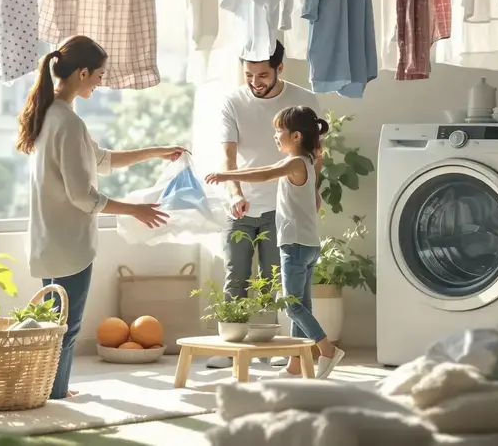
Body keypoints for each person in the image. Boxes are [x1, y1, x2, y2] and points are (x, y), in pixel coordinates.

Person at [17, 35, 186, 400]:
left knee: (53, 323)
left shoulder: (50, 115)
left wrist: (156, 152)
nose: (100, 82)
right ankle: (56, 393)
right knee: (66, 326)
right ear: (82, 72)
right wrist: (135, 210)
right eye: (99, 75)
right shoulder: (68, 123)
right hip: (69, 242)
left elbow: (103, 160)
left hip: (49, 239)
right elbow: (83, 196)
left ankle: (49, 389)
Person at [206, 106, 346, 379]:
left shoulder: (294, 163)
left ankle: (327, 349)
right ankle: (295, 365)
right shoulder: (307, 163)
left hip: (293, 245)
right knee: (301, 304)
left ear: (295, 136)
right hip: (308, 244)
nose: (275, 136)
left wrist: (227, 175)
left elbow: (266, 173)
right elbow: (315, 203)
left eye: (278, 131)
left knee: (292, 305)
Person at [210, 40, 321, 369]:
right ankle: (231, 348)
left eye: (262, 75)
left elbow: (317, 152)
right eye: (249, 75)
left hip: (282, 206)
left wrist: (313, 189)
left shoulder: (304, 100)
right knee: (236, 276)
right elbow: (228, 154)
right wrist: (234, 193)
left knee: (278, 281)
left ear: (279, 69)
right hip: (240, 203)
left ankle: (278, 347)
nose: (255, 82)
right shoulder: (232, 101)